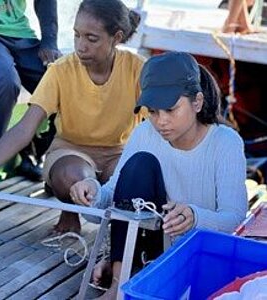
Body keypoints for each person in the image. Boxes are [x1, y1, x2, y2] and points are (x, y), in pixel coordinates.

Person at [70, 51, 248, 299]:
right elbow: (114, 196)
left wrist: (195, 216)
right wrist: (92, 192)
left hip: (195, 257)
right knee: (139, 164)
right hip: (151, 248)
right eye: (152, 112)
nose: (161, 121)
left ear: (197, 102)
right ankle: (119, 285)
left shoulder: (226, 142)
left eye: (170, 109)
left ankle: (124, 272)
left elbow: (235, 219)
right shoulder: (145, 133)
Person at [0, 0, 146, 233]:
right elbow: (24, 128)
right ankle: (69, 211)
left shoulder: (138, 69)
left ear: (117, 38)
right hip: (72, 152)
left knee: (129, 179)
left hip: (117, 153)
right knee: (74, 176)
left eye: (91, 39)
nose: (80, 46)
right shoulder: (61, 69)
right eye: (76, 35)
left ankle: (119, 231)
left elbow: (157, 125)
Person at [0, 0, 61, 202]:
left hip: (19, 31)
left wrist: (49, 41)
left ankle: (52, 169)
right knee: (3, 79)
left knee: (61, 84)